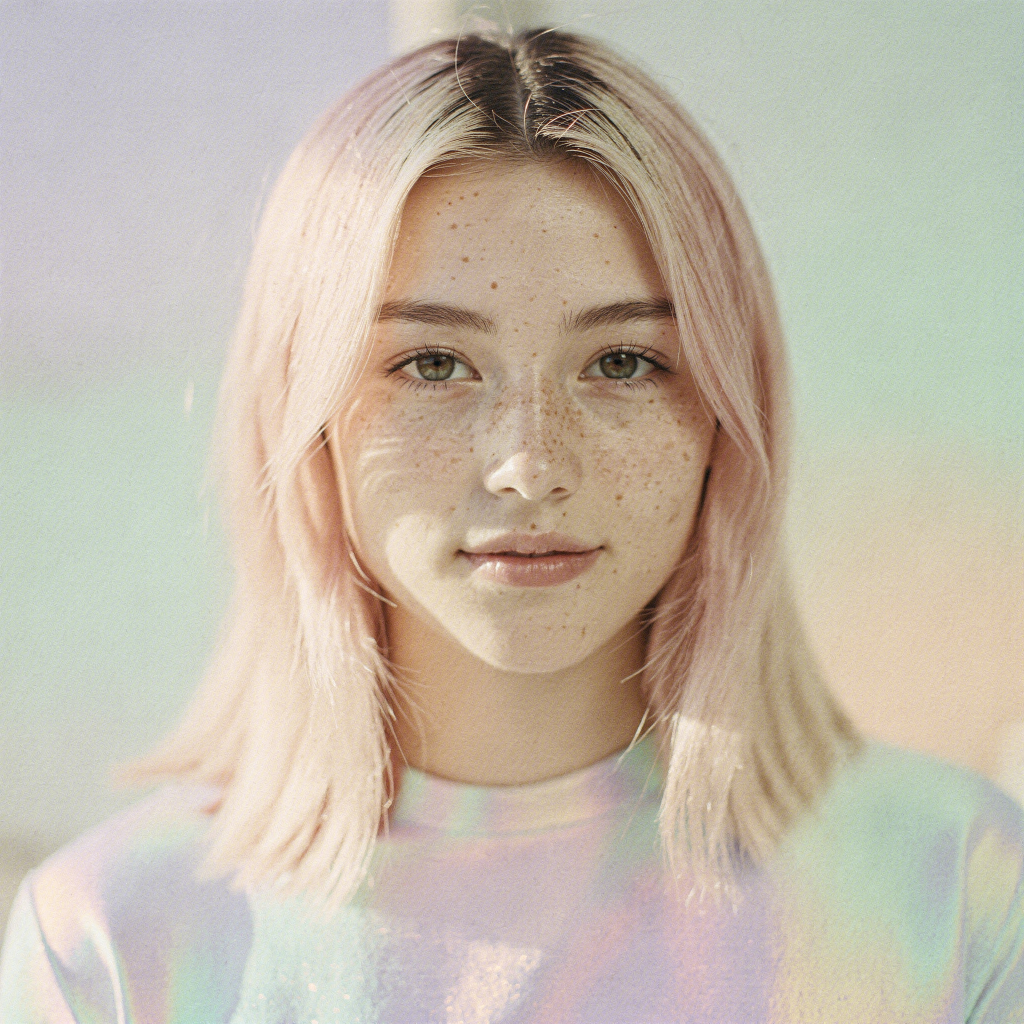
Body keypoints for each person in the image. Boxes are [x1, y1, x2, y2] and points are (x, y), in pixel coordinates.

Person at [1, 27, 1021, 1023]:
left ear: (726, 414)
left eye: (622, 362)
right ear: (304, 417)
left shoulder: (957, 895)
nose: (529, 465)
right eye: (432, 364)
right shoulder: (111, 943)